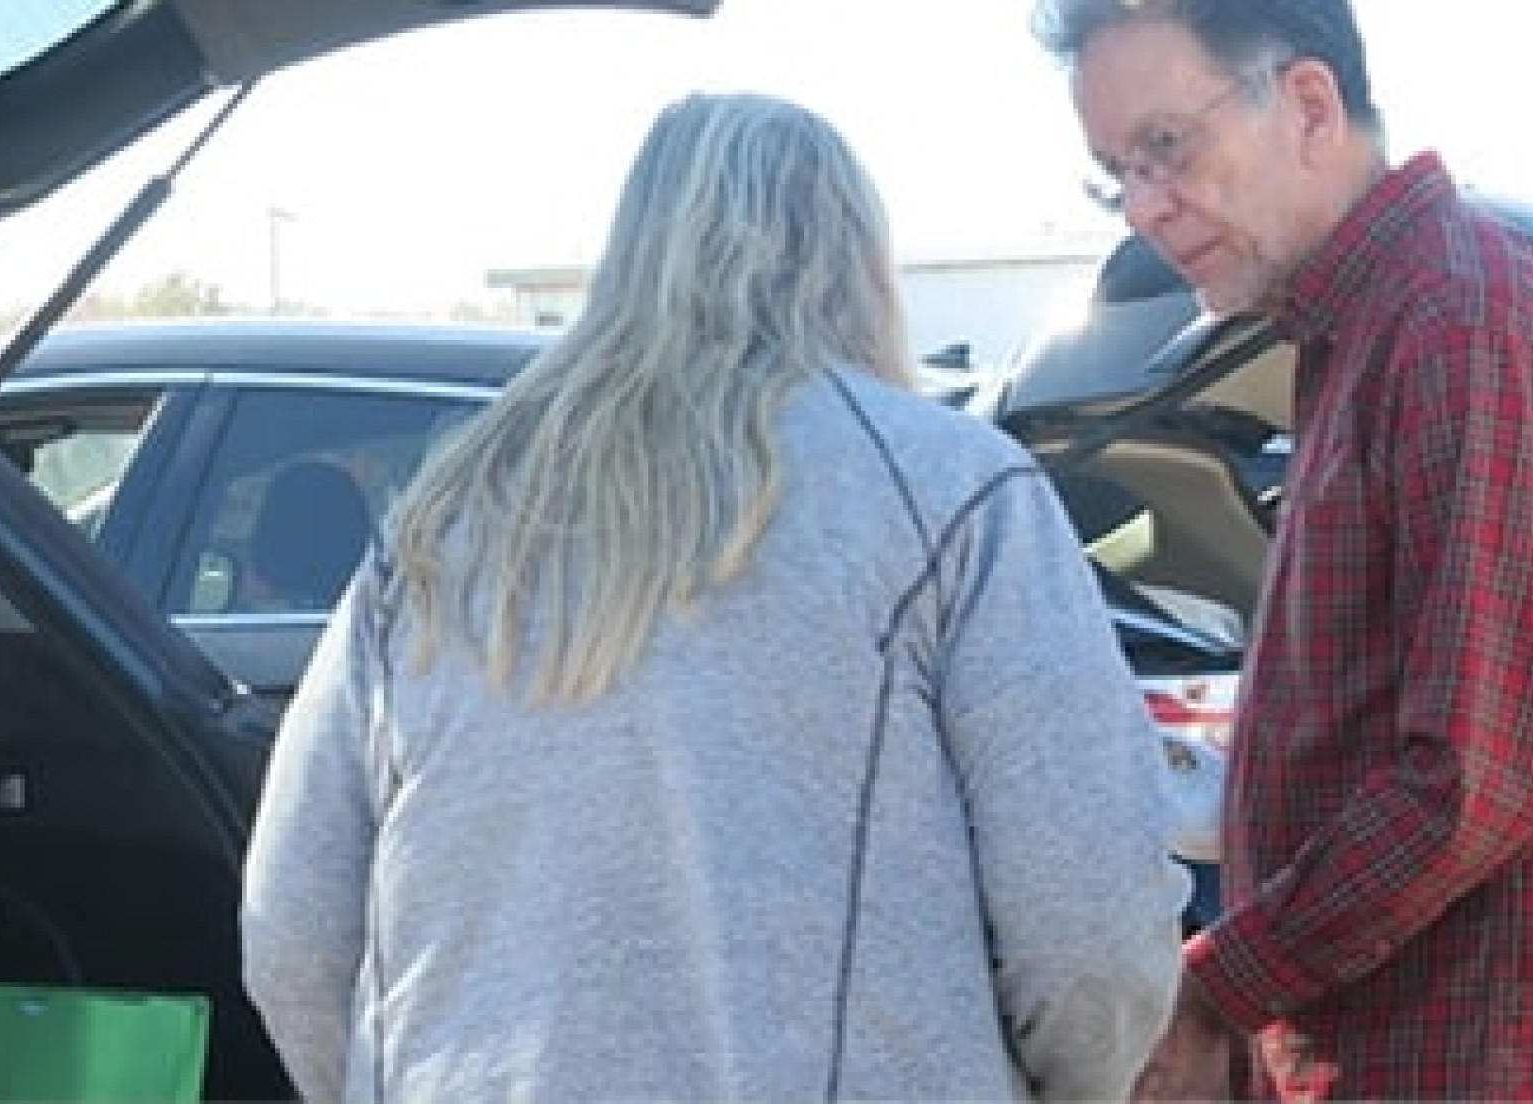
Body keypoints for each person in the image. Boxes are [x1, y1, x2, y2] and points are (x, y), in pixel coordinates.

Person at [240, 93, 1186, 1102]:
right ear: (859, 263)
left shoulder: (442, 517)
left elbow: (293, 934)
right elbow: (1092, 926)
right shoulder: (952, 491)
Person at [1034, 0, 1533, 1102]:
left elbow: (1472, 778)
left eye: (1168, 146)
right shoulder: (1377, 323)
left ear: (1310, 103)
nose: (1144, 204)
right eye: (1117, 170)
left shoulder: (1457, 318)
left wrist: (1220, 982)